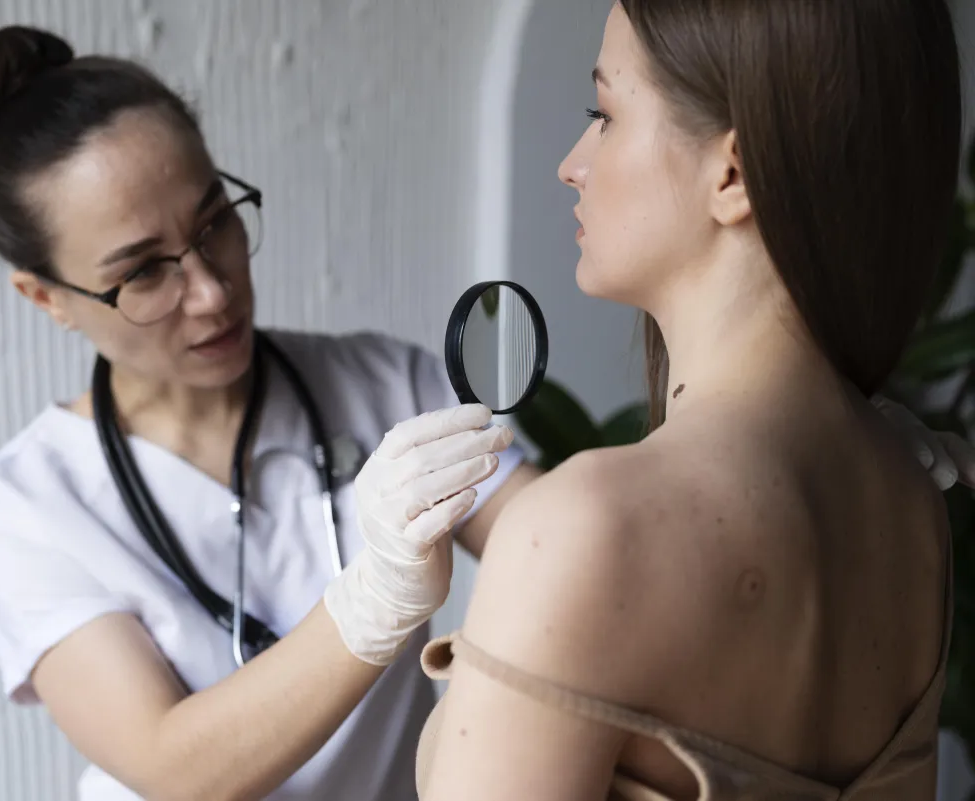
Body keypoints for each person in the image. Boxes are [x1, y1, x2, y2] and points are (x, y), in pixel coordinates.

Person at [0, 21, 972, 801]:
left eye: (217, 223)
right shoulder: (25, 506)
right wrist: (372, 601)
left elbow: (589, 551)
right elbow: (171, 764)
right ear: (45, 297)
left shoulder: (388, 388)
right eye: (145, 272)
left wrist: (794, 498)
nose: (209, 289)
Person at [417, 2, 973, 800]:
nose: (572, 163)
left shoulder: (585, 529)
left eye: (602, 115)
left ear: (733, 173)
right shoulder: (915, 500)